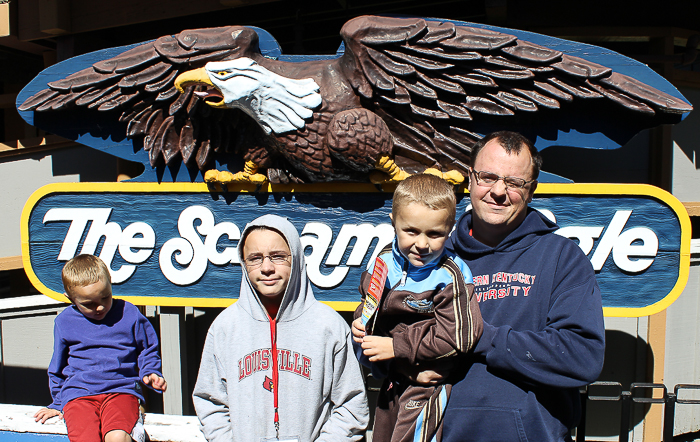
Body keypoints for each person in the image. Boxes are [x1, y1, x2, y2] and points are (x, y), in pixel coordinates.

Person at [440, 131, 606, 442]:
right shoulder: (434, 257)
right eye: (488, 177)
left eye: (514, 183)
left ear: (531, 191)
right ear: (470, 179)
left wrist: (483, 338)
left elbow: (583, 356)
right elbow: (384, 348)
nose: (498, 191)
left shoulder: (561, 258)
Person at [193, 214, 369, 442]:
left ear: (295, 258)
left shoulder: (328, 326)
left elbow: (352, 404)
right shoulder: (225, 328)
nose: (266, 267)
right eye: (255, 258)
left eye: (277, 257)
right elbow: (210, 401)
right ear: (243, 263)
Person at [351, 174, 483, 442]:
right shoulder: (382, 263)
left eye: (434, 234)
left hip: (427, 386)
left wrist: (395, 347)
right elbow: (368, 308)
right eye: (411, 231)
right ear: (393, 222)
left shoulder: (451, 275)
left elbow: (460, 337)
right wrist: (360, 324)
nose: (422, 244)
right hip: (391, 380)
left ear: (450, 229)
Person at [34, 254, 167, 442]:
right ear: (70, 298)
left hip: (121, 390)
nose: (99, 307)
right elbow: (57, 367)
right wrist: (57, 403)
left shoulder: (128, 313)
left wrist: (151, 372)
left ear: (110, 283)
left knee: (118, 437)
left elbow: (147, 347)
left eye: (105, 297)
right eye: (88, 304)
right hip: (79, 394)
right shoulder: (64, 322)